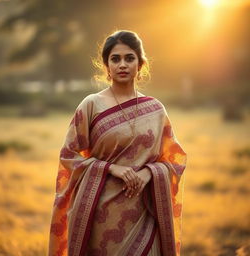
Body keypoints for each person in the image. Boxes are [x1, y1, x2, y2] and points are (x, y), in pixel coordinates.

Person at [48, 30, 187, 256]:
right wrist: (113, 168)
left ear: (140, 65)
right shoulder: (91, 105)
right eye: (115, 59)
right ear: (107, 66)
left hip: (145, 213)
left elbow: (176, 160)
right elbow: (69, 155)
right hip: (100, 214)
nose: (122, 64)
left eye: (129, 58)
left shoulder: (156, 109)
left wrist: (149, 173)